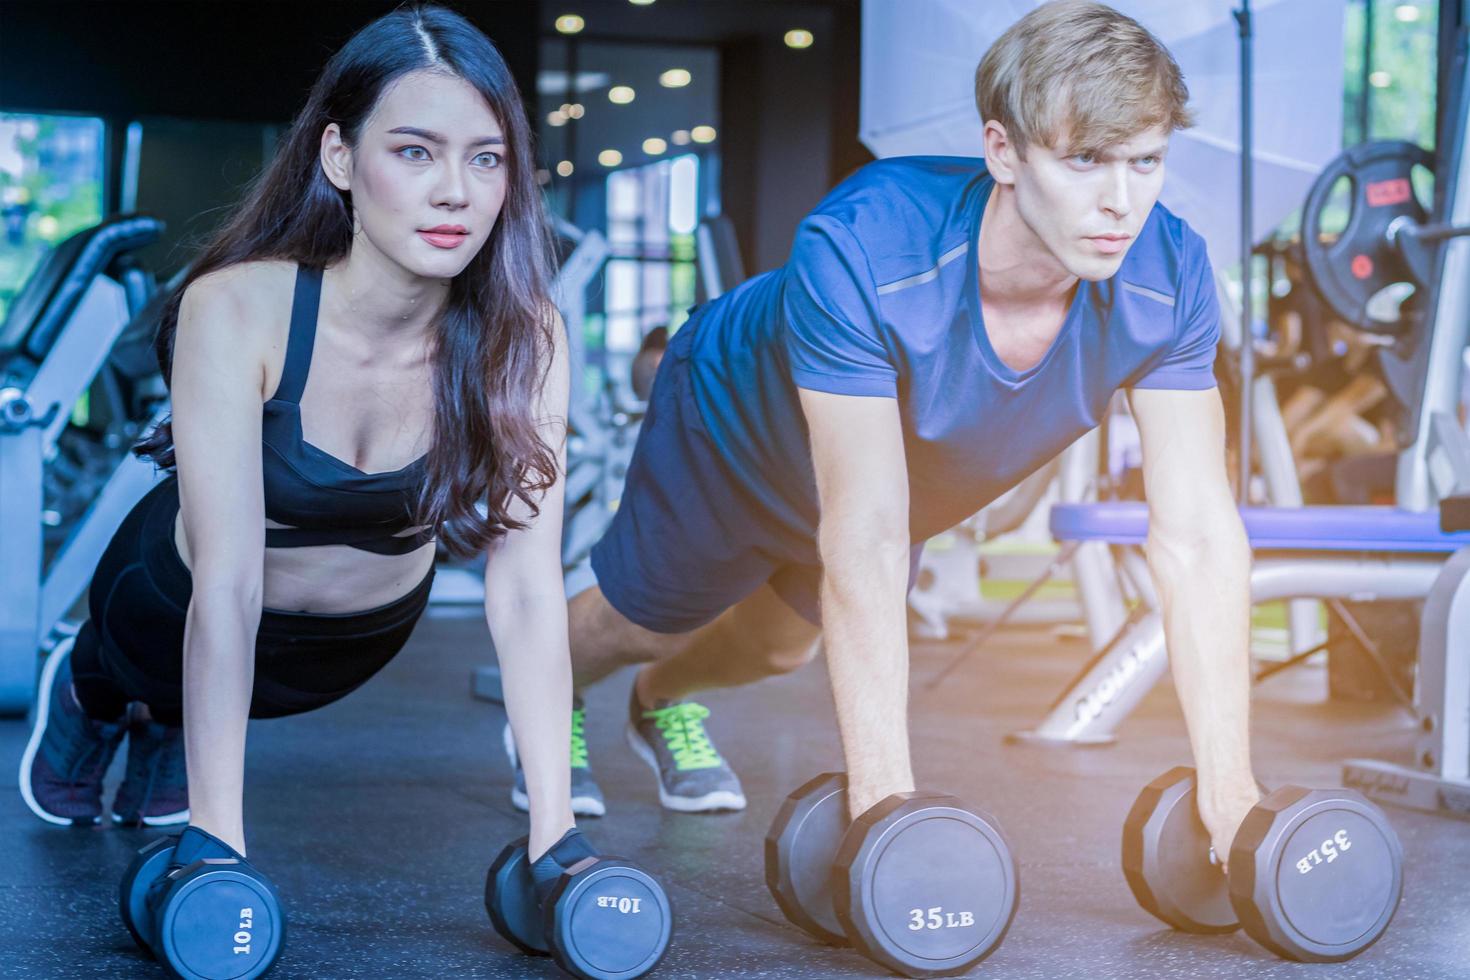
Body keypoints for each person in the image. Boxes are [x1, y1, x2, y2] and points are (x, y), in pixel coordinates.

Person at [534, 0, 1262, 866]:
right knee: (651, 619)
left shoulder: (1171, 274)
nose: (1121, 202)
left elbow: (1198, 538)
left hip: (881, 480)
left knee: (778, 647)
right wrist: (885, 817)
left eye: (1146, 163)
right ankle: (550, 697)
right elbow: (869, 531)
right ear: (1003, 151)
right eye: (1084, 161)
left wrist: (1234, 792)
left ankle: (659, 704)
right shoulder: (867, 246)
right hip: (734, 425)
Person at [19, 4, 581, 869]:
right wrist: (216, 846)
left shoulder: (526, 333)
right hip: (176, 608)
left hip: (349, 650)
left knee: (193, 702)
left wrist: (557, 840)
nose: (455, 192)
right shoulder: (240, 306)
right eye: (415, 151)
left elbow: (530, 593)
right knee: (137, 666)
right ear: (339, 158)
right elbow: (230, 582)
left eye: (487, 158)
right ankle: (90, 696)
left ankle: (167, 721)